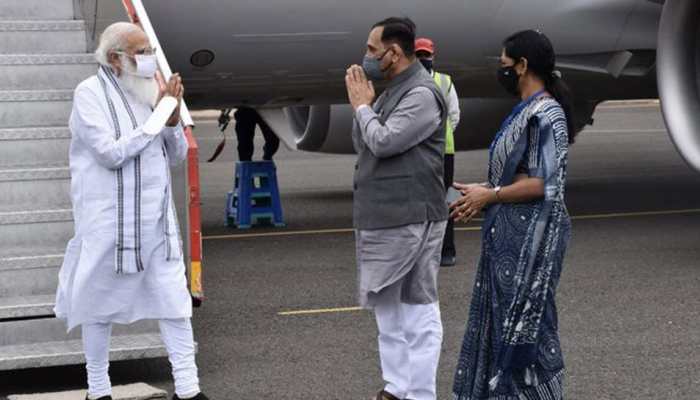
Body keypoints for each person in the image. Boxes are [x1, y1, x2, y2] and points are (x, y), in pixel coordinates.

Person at [54, 22, 208, 400]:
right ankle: (98, 389)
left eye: (148, 50)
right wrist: (160, 116)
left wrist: (171, 123)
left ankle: (188, 390)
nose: (148, 58)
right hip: (110, 223)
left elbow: (173, 155)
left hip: (155, 222)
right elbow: (109, 153)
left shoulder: (150, 92)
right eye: (140, 52)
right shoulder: (89, 94)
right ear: (114, 58)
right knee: (98, 305)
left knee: (174, 303)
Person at [450, 30, 576, 400]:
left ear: (523, 66)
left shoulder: (547, 113)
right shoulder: (526, 109)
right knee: (503, 325)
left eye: (505, 64)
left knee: (529, 329)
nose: (501, 70)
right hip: (508, 238)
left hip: (530, 242)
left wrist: (490, 195)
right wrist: (482, 190)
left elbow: (545, 184)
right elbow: (517, 173)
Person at [345, 17, 448, 400]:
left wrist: (361, 108)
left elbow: (385, 142)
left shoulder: (421, 93)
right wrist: (365, 108)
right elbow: (364, 142)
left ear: (395, 52)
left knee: (418, 310)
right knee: (387, 310)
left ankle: (420, 393)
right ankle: (397, 386)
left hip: (412, 218)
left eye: (373, 50)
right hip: (383, 217)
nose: (367, 57)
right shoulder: (391, 92)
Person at [415, 37, 461, 267]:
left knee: (447, 200)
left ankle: (448, 249)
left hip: (443, 152)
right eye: (419, 55)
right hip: (417, 153)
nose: (423, 59)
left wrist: (438, 137)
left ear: (433, 56)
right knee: (420, 201)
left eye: (426, 55)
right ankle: (424, 250)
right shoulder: (407, 83)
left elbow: (454, 115)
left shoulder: (445, 81)